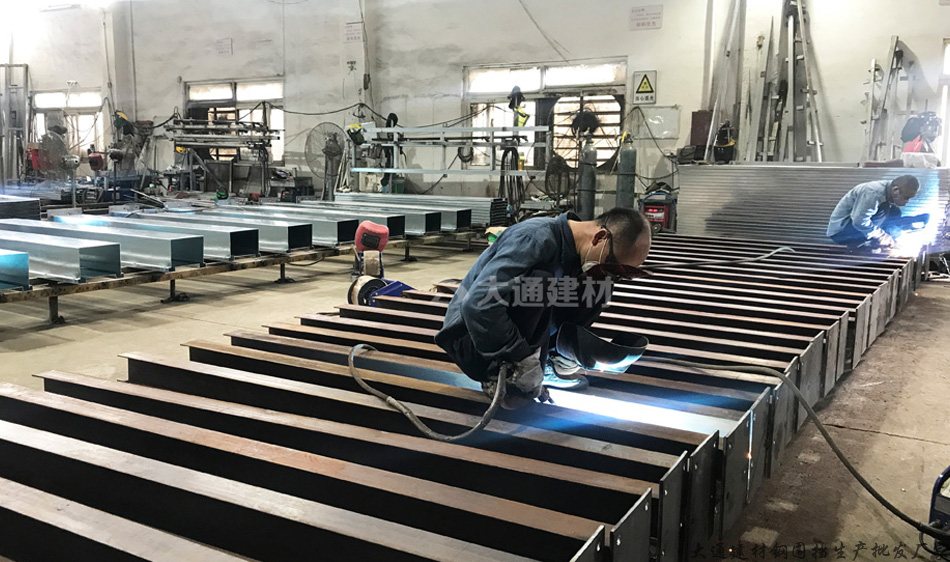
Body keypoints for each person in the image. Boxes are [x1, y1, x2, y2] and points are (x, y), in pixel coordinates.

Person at [434, 208, 652, 405]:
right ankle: (503, 374)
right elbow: (479, 307)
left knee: (597, 283)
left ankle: (550, 362)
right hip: (471, 339)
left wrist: (572, 349)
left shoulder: (576, 254)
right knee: (541, 282)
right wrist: (522, 358)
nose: (612, 275)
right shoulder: (533, 239)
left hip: (513, 332)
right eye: (613, 265)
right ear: (600, 237)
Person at [826, 175, 927, 250]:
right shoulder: (874, 193)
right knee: (886, 210)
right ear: (896, 190)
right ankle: (867, 244)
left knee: (894, 212)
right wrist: (882, 236)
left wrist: (913, 221)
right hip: (841, 232)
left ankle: (877, 240)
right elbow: (859, 221)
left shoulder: (888, 190)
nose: (907, 201)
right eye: (906, 197)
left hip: (853, 227)